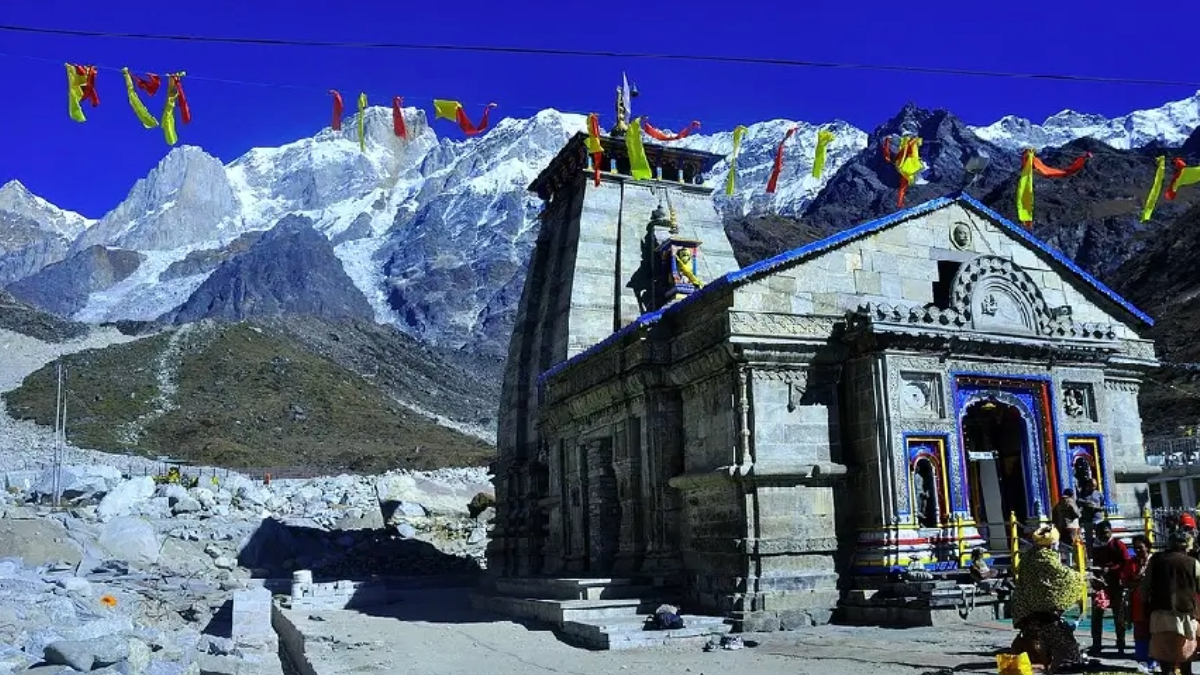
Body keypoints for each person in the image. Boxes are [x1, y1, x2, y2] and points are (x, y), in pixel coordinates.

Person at [1010, 524, 1087, 674]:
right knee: (1056, 640)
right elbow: (1064, 575)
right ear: (1053, 543)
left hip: (1027, 605)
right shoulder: (1045, 556)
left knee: (1040, 638)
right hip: (1036, 606)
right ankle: (1058, 665)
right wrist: (1080, 577)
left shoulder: (1029, 554)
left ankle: (1050, 665)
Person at [1140, 531, 1200, 674]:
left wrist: (1146, 609)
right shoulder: (1193, 563)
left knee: (1164, 658)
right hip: (1184, 616)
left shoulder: (1156, 560)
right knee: (1185, 656)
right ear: (1186, 546)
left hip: (1160, 615)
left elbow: (1144, 588)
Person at [1090, 520, 1131, 656]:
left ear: (1110, 531)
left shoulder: (1118, 544)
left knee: (1118, 614)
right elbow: (1094, 562)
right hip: (1100, 584)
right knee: (1096, 614)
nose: (1103, 536)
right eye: (1100, 533)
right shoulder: (1095, 546)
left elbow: (1126, 562)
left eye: (1106, 533)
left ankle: (1121, 643)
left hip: (1116, 584)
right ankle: (1096, 643)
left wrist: (1111, 569)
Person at [1124, 535, 1157, 674]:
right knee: (1141, 632)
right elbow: (1125, 581)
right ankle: (1142, 661)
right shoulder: (1131, 563)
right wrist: (1138, 581)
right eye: (1135, 548)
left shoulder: (1155, 561)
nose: (1138, 550)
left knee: (1154, 632)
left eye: (1140, 547)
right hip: (1137, 603)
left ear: (1147, 547)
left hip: (1155, 602)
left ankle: (1154, 661)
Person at [1078, 479, 1105, 546]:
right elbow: (1078, 501)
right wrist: (1086, 503)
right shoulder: (1084, 494)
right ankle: (1090, 554)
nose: (1093, 488)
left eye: (1095, 486)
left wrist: (1097, 507)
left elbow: (1104, 506)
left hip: (1098, 519)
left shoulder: (1099, 494)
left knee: (1100, 537)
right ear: (1088, 485)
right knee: (1088, 539)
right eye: (1092, 486)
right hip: (1088, 520)